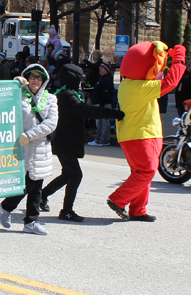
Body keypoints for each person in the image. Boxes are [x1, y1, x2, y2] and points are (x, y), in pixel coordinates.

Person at [107, 42, 186, 222]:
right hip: (141, 135)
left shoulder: (130, 84)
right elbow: (171, 82)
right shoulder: (140, 87)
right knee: (147, 171)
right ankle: (118, 199)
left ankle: (138, 209)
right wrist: (179, 60)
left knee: (141, 173)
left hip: (141, 134)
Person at [40, 63, 125, 222]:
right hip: (64, 142)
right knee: (76, 175)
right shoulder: (67, 96)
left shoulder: (67, 94)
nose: (81, 83)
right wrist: (112, 113)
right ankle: (66, 211)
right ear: (72, 79)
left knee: (67, 175)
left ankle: (42, 196)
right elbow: (86, 111)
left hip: (65, 142)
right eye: (79, 79)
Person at [0, 64, 58, 235]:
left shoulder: (51, 99)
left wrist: (30, 135)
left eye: (39, 77)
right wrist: (13, 86)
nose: (35, 80)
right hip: (22, 149)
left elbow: (51, 123)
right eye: (32, 77)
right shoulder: (18, 97)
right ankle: (6, 206)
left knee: (36, 186)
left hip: (40, 149)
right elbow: (2, 107)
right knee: (26, 184)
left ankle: (31, 221)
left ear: (44, 80)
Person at [88, 60, 115, 147]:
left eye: (102, 68)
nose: (100, 69)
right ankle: (99, 139)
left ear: (106, 69)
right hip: (99, 104)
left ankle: (103, 140)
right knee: (99, 123)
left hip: (102, 105)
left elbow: (105, 94)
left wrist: (101, 105)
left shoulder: (107, 80)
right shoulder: (102, 79)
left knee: (103, 123)